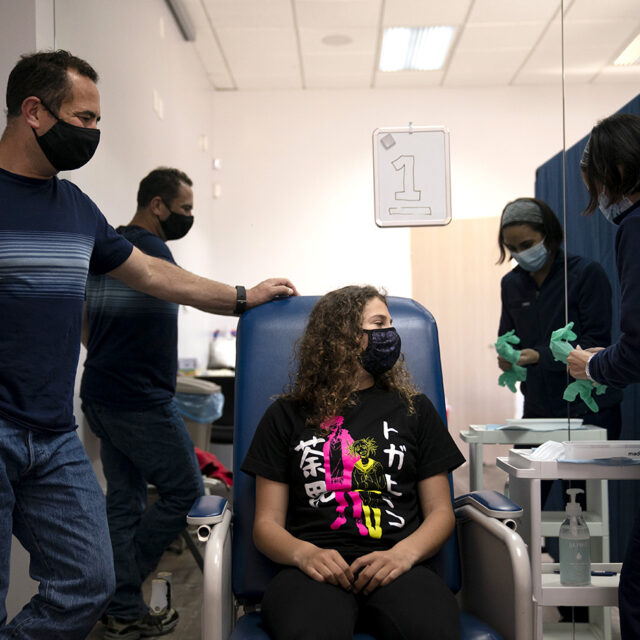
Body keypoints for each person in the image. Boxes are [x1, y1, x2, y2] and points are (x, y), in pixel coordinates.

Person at [0, 49, 296, 640]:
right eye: (83, 119)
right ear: (34, 112)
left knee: (88, 582)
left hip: (54, 434)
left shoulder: (77, 209)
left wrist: (243, 296)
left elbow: (157, 277)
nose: (93, 133)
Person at [241, 286, 465, 640]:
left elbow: (441, 512)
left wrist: (403, 555)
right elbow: (266, 525)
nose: (389, 335)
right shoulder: (286, 415)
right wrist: (304, 554)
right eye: (378, 324)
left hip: (399, 566)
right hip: (312, 571)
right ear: (342, 336)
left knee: (433, 630)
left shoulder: (414, 409)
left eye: (390, 324)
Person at [79, 167, 214, 638]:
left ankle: (122, 608)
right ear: (157, 205)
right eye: (185, 209)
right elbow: (190, 290)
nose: (188, 217)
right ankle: (120, 591)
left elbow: (84, 318)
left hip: (100, 393)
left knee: (124, 501)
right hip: (138, 401)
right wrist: (242, 298)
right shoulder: (151, 251)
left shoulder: (109, 248)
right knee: (184, 490)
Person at [567, 112, 640, 640]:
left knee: (634, 591)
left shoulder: (633, 230)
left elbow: (636, 348)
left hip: (598, 395)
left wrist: (591, 364)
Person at [497, 197, 622, 438]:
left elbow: (596, 342)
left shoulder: (585, 275)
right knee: (525, 471)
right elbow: (508, 338)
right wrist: (508, 359)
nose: (520, 254)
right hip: (537, 407)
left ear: (548, 235)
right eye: (512, 248)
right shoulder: (511, 284)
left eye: (527, 244)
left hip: (588, 405)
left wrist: (538, 356)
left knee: (583, 476)